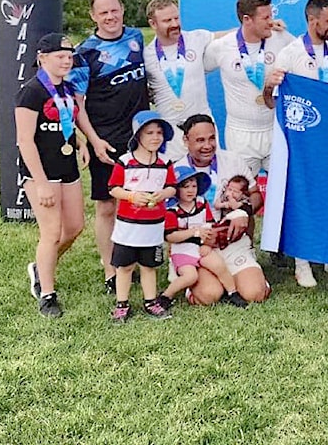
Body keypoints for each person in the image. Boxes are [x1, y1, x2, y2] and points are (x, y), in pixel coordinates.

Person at [266, 0, 328, 288]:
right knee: (302, 198)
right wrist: (270, 86)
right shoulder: (290, 53)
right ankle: (301, 263)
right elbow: (271, 102)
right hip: (301, 139)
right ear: (312, 19)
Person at [69, 0, 149, 295]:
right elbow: (79, 105)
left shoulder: (136, 38)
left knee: (140, 201)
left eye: (114, 10)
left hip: (141, 136)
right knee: (107, 206)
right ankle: (110, 268)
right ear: (93, 16)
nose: (110, 17)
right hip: (106, 138)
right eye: (103, 12)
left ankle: (139, 260)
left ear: (123, 10)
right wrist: (94, 141)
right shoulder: (84, 53)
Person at [16, 33, 88, 318]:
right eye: (59, 56)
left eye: (69, 56)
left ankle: (40, 265)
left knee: (75, 227)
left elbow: (66, 120)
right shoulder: (31, 91)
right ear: (42, 58)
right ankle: (47, 294)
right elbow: (25, 140)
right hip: (42, 172)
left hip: (67, 165)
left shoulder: (68, 88)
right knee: (52, 232)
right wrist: (41, 182)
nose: (66, 61)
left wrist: (81, 141)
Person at [174, 114, 271, 305]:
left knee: (255, 294)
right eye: (200, 140)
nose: (208, 145)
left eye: (211, 138)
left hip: (232, 242)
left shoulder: (233, 160)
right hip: (197, 248)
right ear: (186, 140)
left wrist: (242, 211)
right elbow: (168, 223)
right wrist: (195, 234)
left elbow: (256, 195)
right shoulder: (177, 170)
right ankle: (198, 279)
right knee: (209, 296)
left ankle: (246, 275)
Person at [204, 0, 295, 177]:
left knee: (283, 189)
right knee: (240, 192)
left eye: (272, 15)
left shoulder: (281, 38)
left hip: (275, 128)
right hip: (240, 134)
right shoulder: (222, 47)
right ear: (247, 20)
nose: (271, 21)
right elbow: (194, 72)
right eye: (266, 17)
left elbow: (307, 56)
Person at [107, 111, 177, 322]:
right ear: (138, 136)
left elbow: (172, 187)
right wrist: (131, 196)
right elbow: (113, 188)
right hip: (128, 228)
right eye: (149, 133)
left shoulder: (165, 163)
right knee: (125, 266)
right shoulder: (125, 162)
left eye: (159, 133)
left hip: (153, 227)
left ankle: (150, 301)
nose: (156, 137)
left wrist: (162, 194)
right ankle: (122, 304)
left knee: (149, 266)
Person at [159, 166, 249, 309]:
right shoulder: (172, 210)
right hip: (183, 250)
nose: (190, 190)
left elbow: (210, 226)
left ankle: (232, 292)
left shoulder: (201, 203)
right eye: (185, 186)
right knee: (190, 276)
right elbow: (170, 236)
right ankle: (166, 296)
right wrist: (194, 232)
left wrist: (207, 244)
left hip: (202, 246)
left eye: (194, 186)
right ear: (176, 189)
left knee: (219, 265)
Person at [143, 0, 216, 161]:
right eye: (167, 20)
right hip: (170, 133)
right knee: (175, 183)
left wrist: (262, 26)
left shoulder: (196, 38)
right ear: (153, 24)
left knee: (208, 180)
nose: (175, 24)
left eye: (176, 18)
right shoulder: (146, 55)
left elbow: (233, 38)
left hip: (202, 129)